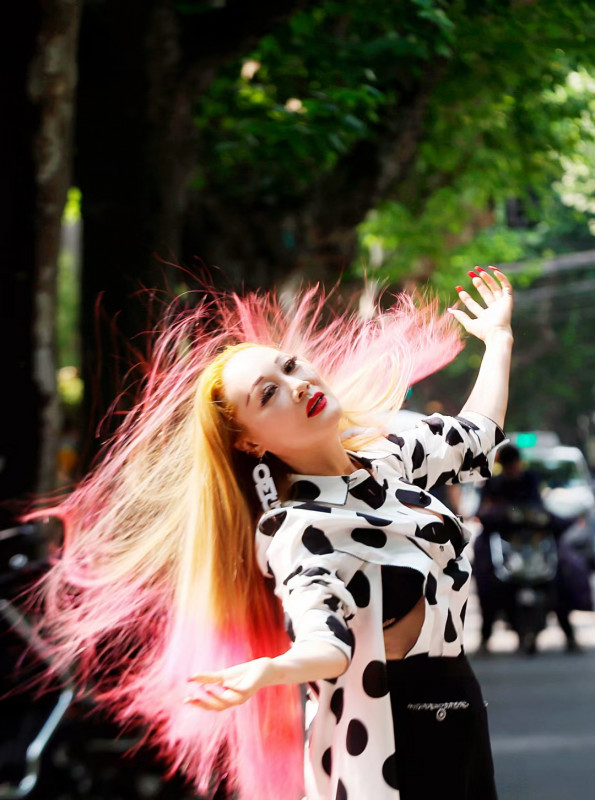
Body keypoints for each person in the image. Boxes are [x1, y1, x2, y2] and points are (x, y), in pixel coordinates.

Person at [29, 267, 513, 800]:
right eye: (268, 393)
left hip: (460, 716)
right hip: (388, 750)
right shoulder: (299, 528)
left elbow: (477, 437)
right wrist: (272, 670)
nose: (297, 384)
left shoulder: (387, 455)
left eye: (289, 366)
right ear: (250, 443)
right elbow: (326, 640)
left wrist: (498, 339)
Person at [475, 444, 585, 653]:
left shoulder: (530, 479)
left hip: (536, 545)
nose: (512, 469)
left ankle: (569, 635)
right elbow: (483, 513)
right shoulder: (493, 484)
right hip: (504, 547)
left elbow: (543, 511)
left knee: (562, 574)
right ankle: (485, 638)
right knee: (485, 581)